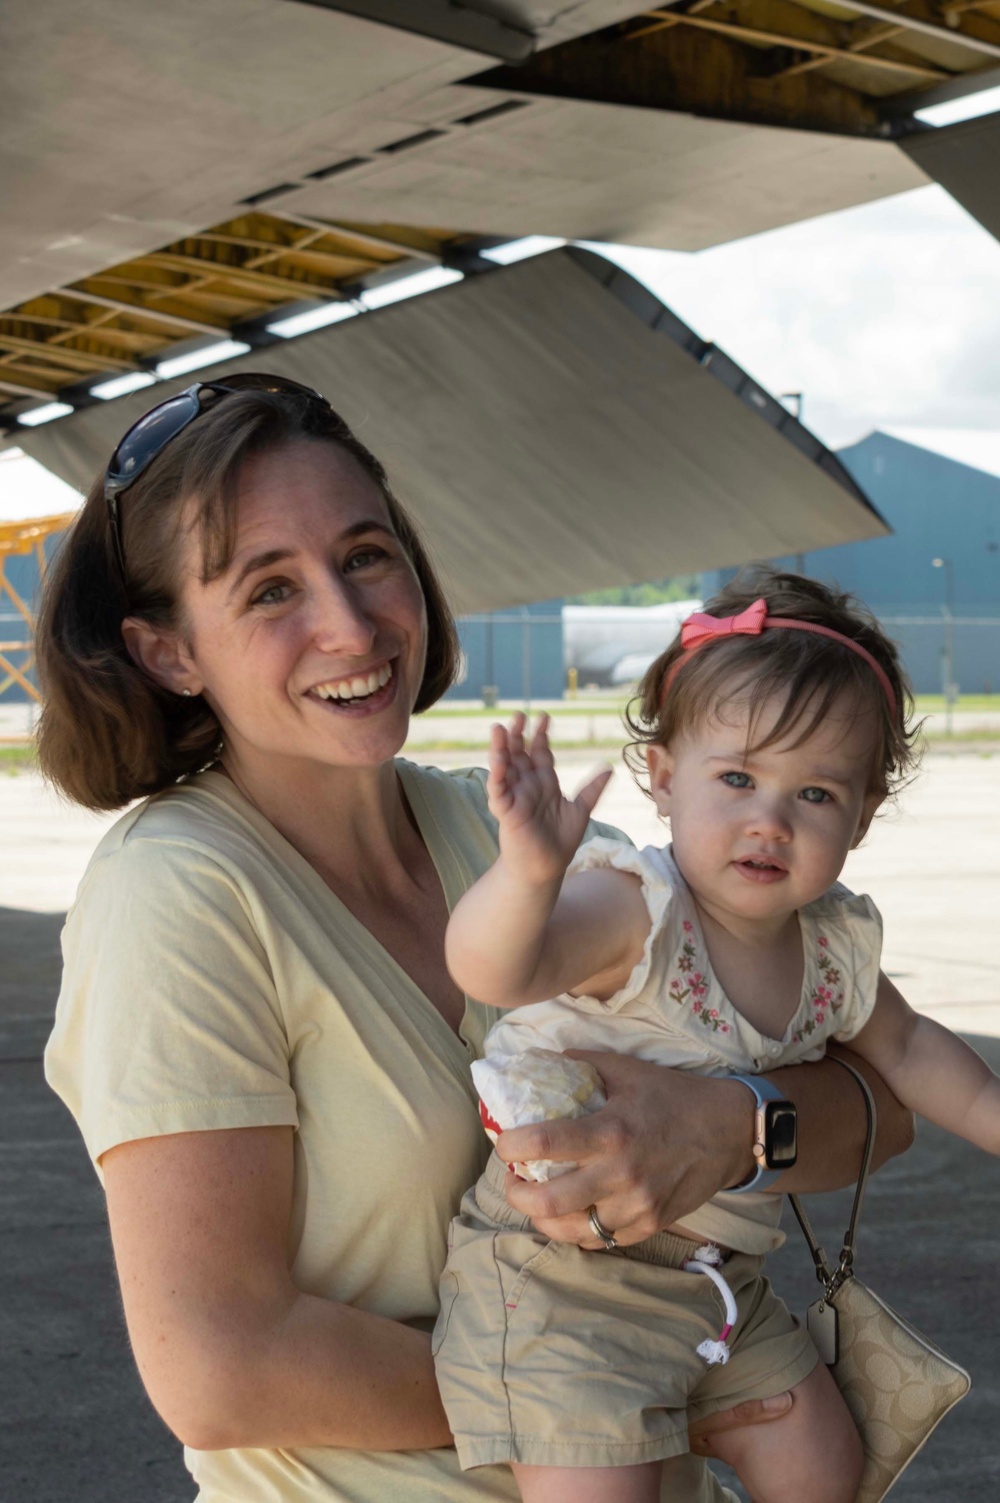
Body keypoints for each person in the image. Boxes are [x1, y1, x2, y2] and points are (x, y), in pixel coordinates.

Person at [37, 375, 913, 1503]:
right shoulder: (182, 893)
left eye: (365, 556)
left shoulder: (528, 844)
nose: (350, 627)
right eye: (269, 590)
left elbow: (881, 1101)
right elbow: (221, 1366)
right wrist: (628, 1389)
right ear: (169, 655)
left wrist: (734, 1123)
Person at [437, 570, 1000, 1503]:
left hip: (716, 1280)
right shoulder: (634, 909)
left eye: (815, 793)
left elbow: (917, 1057)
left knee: (826, 1468)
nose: (768, 819)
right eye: (736, 777)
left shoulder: (834, 948)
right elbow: (493, 971)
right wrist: (528, 875)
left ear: (862, 815)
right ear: (662, 778)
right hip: (558, 1280)